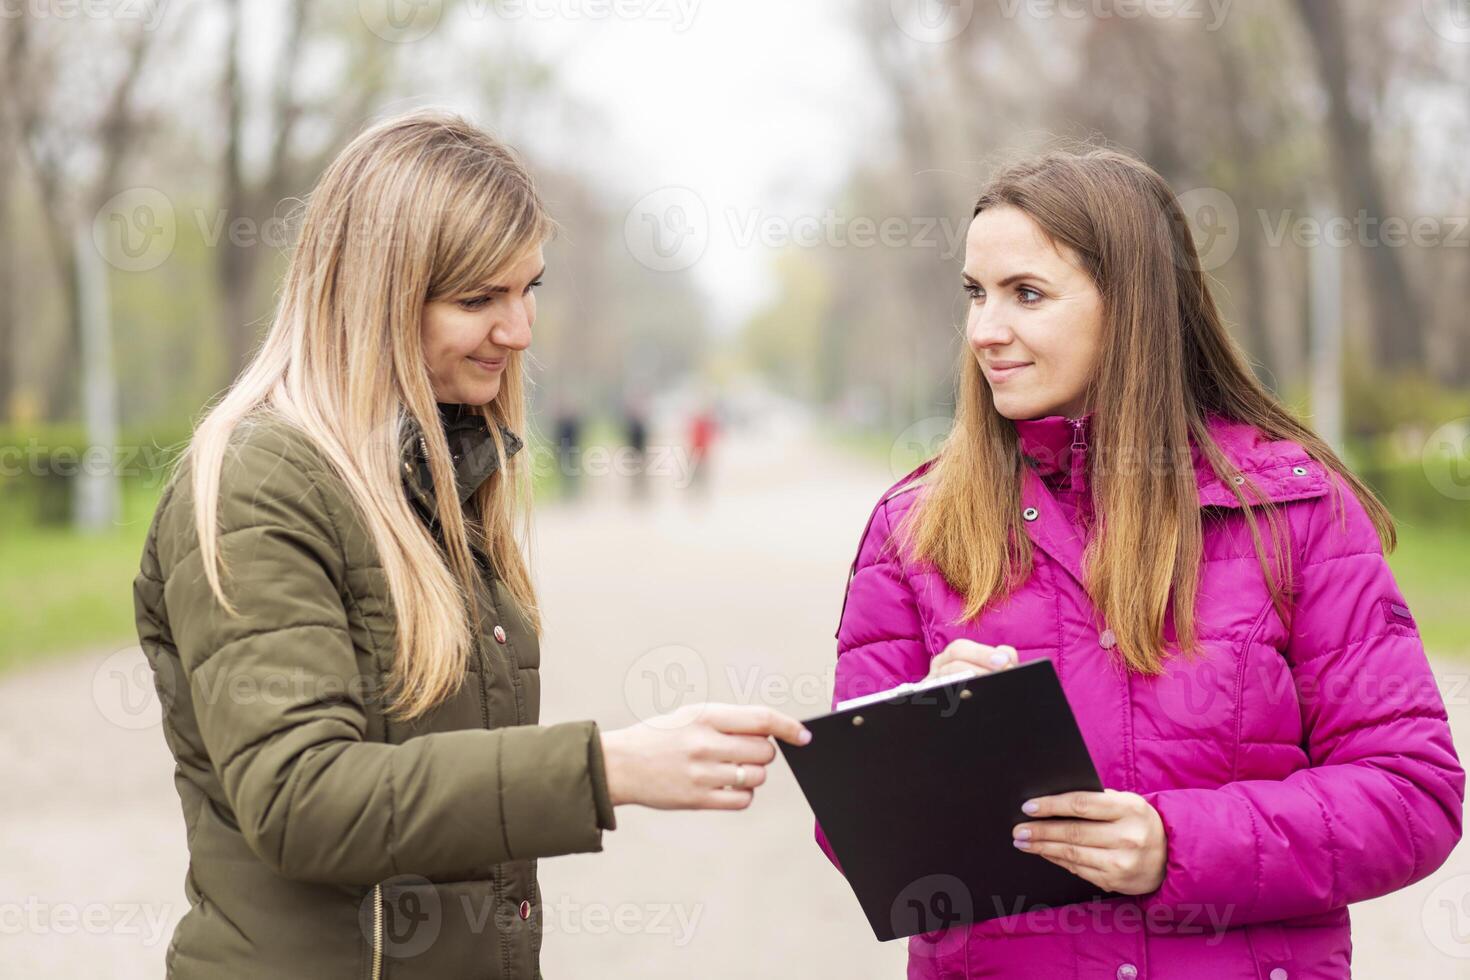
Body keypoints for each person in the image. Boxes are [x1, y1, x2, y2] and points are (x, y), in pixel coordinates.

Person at [133, 109, 808, 980]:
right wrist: (605, 766)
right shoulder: (259, 485)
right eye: (478, 300)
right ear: (374, 295)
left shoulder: (440, 471)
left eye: (529, 289)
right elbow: (301, 798)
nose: (520, 330)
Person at [821, 148, 1463, 978]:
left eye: (1027, 294)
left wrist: (1177, 846)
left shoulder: (1298, 513)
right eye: (976, 294)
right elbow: (856, 839)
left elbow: (1414, 796)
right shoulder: (913, 528)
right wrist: (916, 742)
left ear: (1131, 307)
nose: (984, 330)